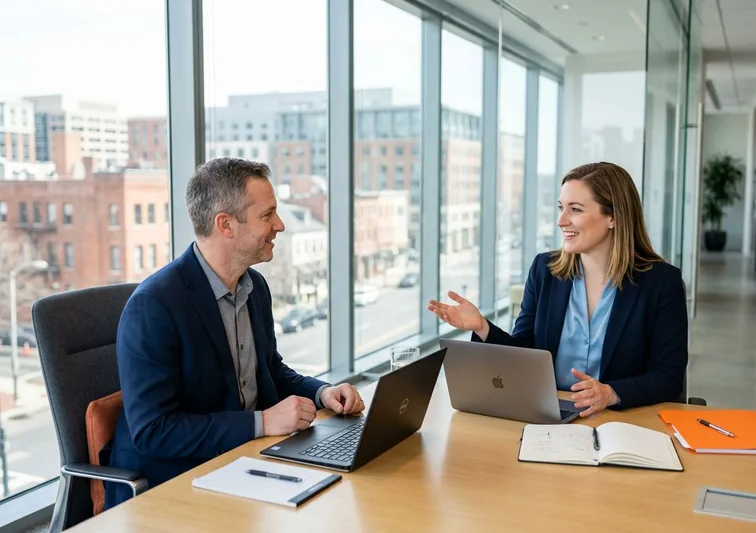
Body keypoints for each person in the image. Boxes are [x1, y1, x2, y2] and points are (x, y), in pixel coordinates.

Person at [105, 158, 364, 508]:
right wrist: (263, 422)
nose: (280, 225)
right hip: (172, 484)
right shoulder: (154, 306)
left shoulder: (253, 286)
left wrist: (323, 393)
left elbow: (269, 372)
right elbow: (155, 432)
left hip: (242, 462)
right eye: (267, 215)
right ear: (225, 224)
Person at [428, 162, 688, 416]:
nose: (561, 220)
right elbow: (525, 353)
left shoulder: (661, 282)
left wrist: (611, 393)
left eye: (575, 210)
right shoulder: (545, 270)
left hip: (620, 420)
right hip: (549, 413)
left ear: (613, 217)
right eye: (561, 208)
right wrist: (482, 327)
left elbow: (668, 376)